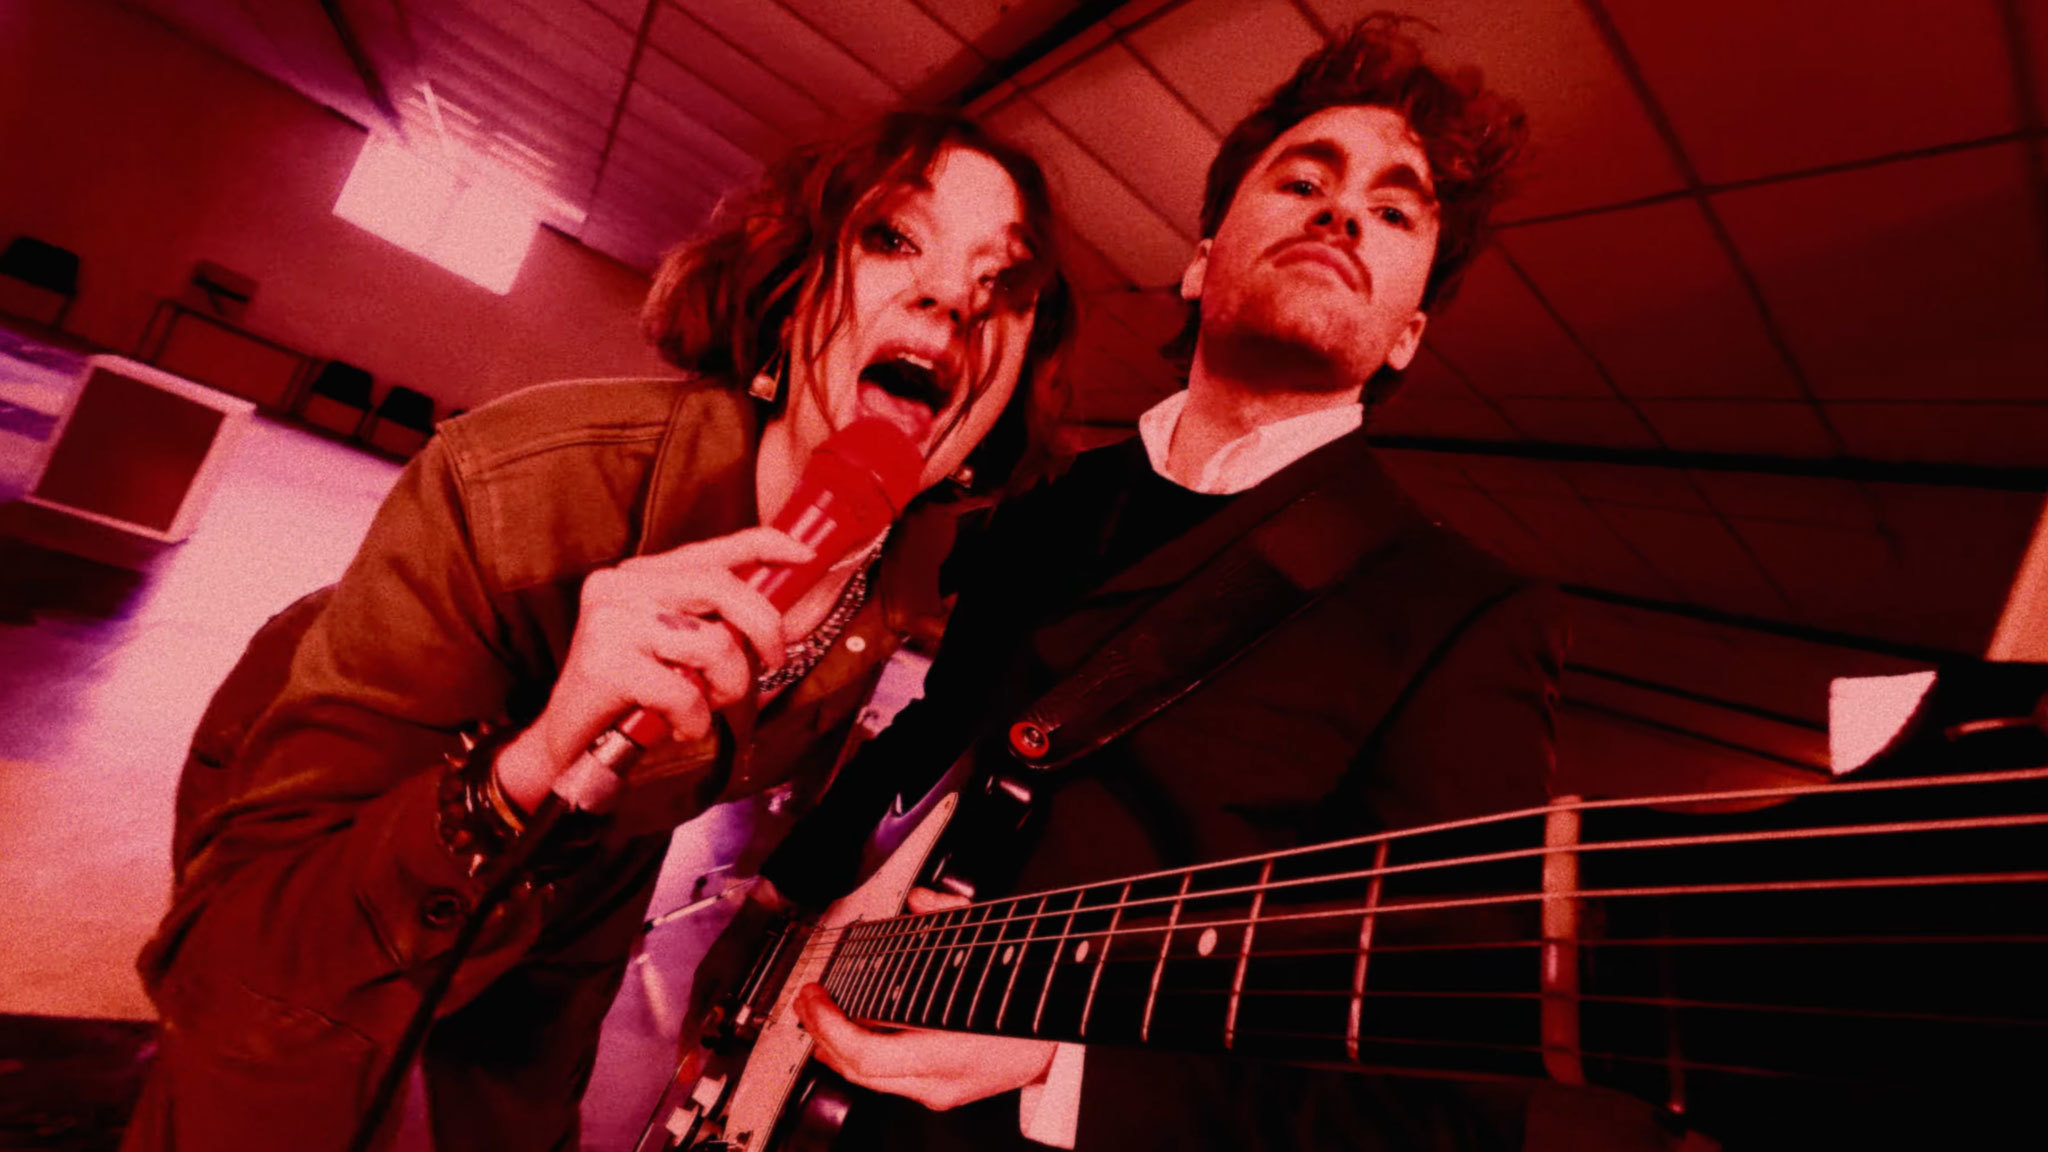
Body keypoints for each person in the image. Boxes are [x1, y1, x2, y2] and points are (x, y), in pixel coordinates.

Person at [121, 109, 1074, 1152]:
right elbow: (238, 963)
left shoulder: (905, 566)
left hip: (610, 835)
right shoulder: (507, 486)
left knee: (525, 1115)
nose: (953, 299)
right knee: (266, 1077)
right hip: (371, 786)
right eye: (893, 238)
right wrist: (530, 765)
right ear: (794, 292)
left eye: (1003, 282)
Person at [754, 16, 1567, 1151]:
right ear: (1200, 259)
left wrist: (1062, 1071)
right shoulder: (1040, 500)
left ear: (1406, 338)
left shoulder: (1458, 616)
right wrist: (782, 900)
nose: (1342, 213)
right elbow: (940, 730)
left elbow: (1441, 1111)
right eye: (1305, 181)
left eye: (1393, 213)